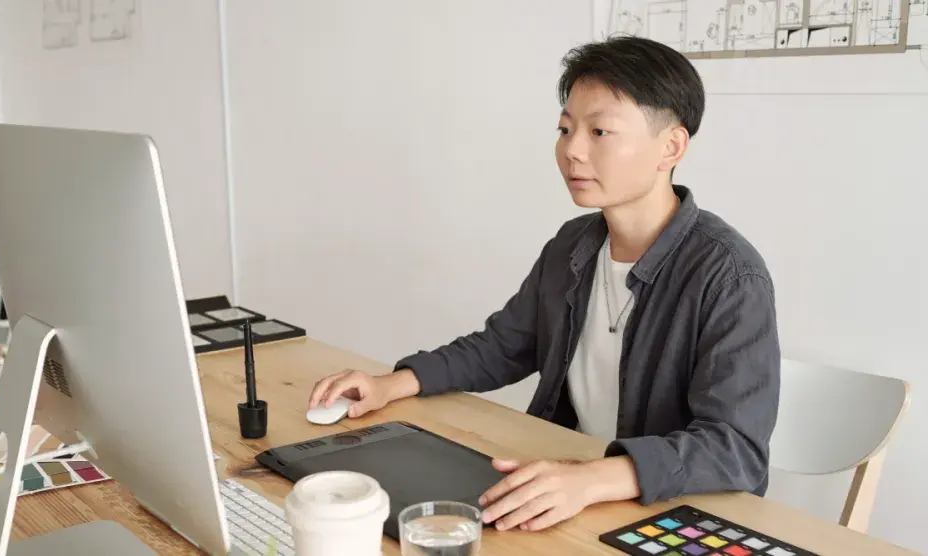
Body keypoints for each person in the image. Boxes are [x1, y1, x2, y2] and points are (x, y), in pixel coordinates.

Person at [308, 35, 780, 533]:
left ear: (671, 146)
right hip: (572, 483)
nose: (572, 151)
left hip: (664, 511)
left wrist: (593, 480)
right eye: (565, 129)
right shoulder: (573, 245)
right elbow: (505, 345)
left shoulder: (729, 274)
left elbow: (736, 448)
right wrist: (390, 385)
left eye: (599, 131)